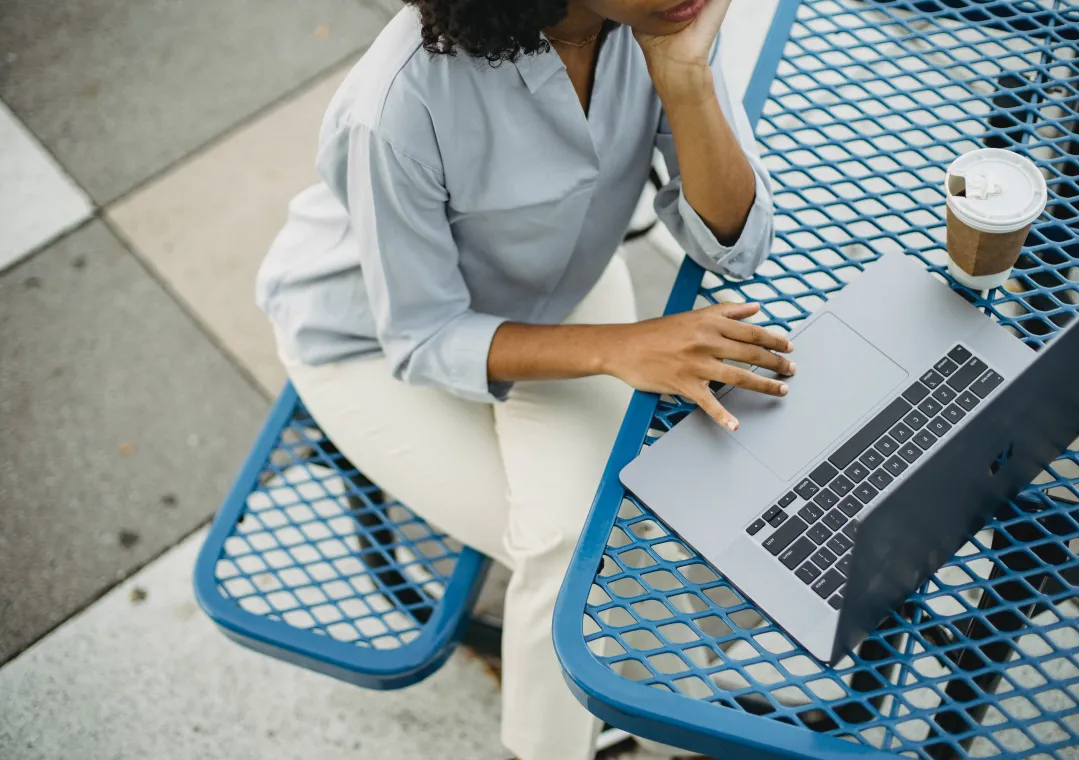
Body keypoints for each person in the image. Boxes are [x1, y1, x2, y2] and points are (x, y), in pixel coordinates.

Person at [256, 0, 793, 757]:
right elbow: (422, 336)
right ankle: (592, 733)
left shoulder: (665, 22)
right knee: (579, 548)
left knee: (615, 542)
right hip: (368, 346)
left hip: (558, 287)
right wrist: (619, 347)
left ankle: (645, 713)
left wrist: (689, 81)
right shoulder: (399, 103)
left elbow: (736, 245)